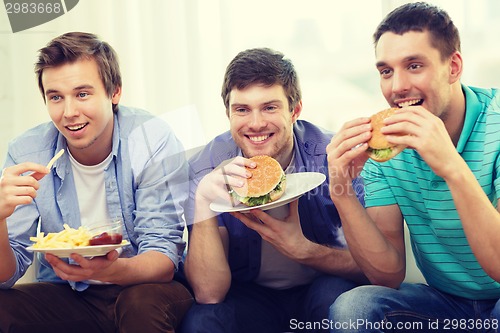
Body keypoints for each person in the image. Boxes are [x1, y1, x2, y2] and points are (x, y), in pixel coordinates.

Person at [0, 32, 193, 333]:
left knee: (141, 305)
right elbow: (6, 276)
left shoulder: (151, 138)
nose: (69, 113)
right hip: (73, 293)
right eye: (55, 97)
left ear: (114, 92)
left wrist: (110, 271)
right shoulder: (26, 152)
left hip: (147, 286)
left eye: (82, 94)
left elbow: (163, 257)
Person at [326, 2, 500, 332]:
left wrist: (451, 165)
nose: (396, 87)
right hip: (443, 303)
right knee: (353, 307)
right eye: (386, 71)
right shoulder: (385, 149)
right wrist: (342, 191)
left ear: (453, 67)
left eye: (414, 65)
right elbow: (387, 274)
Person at [178, 47, 366, 333]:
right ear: (228, 114)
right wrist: (203, 201)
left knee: (337, 300)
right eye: (242, 110)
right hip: (250, 295)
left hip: (322, 284)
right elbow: (209, 293)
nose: (255, 124)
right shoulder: (206, 169)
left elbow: (370, 266)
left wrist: (306, 251)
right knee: (202, 320)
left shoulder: (334, 159)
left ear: (295, 111)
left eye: (269, 107)